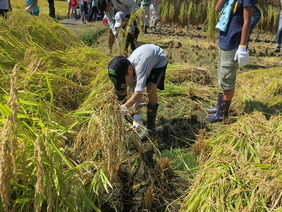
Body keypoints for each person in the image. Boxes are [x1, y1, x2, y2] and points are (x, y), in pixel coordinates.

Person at [206, 0, 255, 122]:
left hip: (234, 43)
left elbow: (247, 21)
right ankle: (219, 107)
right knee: (222, 76)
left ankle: (222, 114)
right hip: (224, 40)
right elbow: (218, 9)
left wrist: (242, 46)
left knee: (227, 78)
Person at [107, 44, 168, 138]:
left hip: (158, 59)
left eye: (124, 81)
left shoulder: (139, 66)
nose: (125, 84)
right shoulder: (127, 71)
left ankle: (151, 128)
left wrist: (125, 107)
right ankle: (136, 119)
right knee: (134, 89)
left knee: (151, 87)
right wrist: (137, 118)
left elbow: (140, 93)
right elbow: (135, 94)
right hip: (147, 60)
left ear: (130, 69)